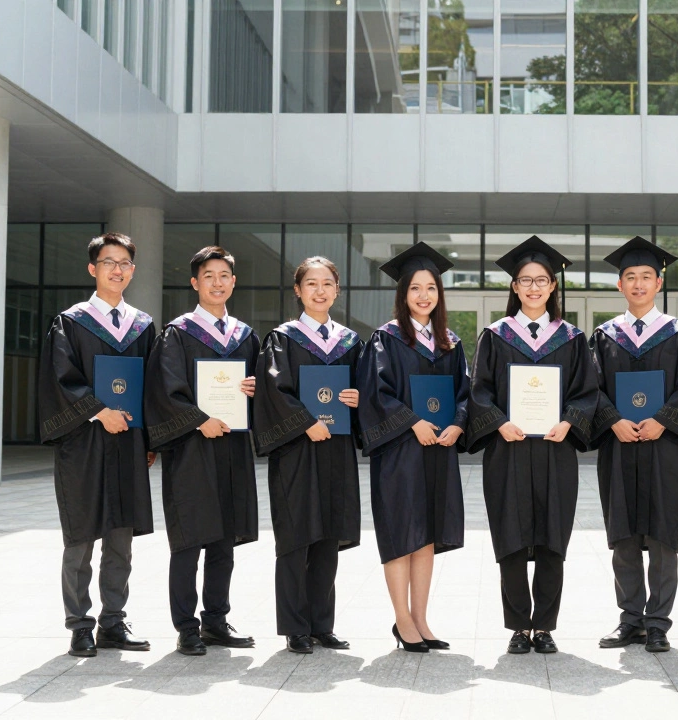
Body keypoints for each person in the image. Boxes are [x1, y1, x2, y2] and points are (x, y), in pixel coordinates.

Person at [468, 236, 599, 655]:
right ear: (514, 287)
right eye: (526, 280)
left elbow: (587, 392)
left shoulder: (572, 338)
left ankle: (543, 626)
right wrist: (499, 423)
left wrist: (569, 421)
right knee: (510, 535)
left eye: (542, 280)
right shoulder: (495, 335)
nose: (534, 287)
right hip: (508, 450)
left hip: (554, 450)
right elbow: (479, 391)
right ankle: (516, 626)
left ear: (553, 287)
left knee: (551, 538)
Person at [37, 231, 156, 658]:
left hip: (127, 443)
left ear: (132, 270)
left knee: (121, 538)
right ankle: (80, 624)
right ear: (93, 268)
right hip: (83, 443)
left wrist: (151, 437)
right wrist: (96, 411)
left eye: (124, 263)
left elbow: (151, 388)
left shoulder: (142, 326)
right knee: (81, 536)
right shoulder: (71, 322)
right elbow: (59, 379)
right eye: (109, 262)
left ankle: (113, 622)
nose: (117, 269)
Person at [590, 237, 678, 653]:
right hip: (619, 446)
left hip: (664, 448)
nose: (638, 284)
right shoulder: (605, 336)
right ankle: (630, 620)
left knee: (662, 537)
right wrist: (613, 420)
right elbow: (590, 389)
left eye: (645, 277)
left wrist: (664, 421)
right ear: (619, 285)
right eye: (630, 277)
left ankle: (657, 622)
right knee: (623, 537)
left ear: (658, 283)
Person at [144, 246, 260, 656]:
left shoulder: (245, 336)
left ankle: (215, 620)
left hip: (232, 448)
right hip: (191, 449)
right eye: (208, 275)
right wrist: (198, 420)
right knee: (190, 540)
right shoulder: (177, 334)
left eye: (223, 275)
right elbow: (163, 391)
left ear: (233, 281)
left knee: (224, 540)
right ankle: (186, 627)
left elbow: (258, 392)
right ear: (195, 283)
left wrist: (253, 390)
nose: (216, 282)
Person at [356, 243, 468, 653]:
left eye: (431, 289)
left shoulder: (450, 342)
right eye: (415, 289)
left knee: (426, 536)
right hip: (400, 451)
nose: (424, 296)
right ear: (403, 295)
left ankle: (421, 617)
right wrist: (413, 423)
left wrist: (457, 425)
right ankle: (402, 620)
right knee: (401, 532)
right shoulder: (386, 339)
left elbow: (464, 394)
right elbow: (375, 393)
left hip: (438, 448)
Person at [254, 256, 362, 655]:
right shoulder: (282, 339)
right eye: (311, 284)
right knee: (297, 539)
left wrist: (357, 398)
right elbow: (273, 392)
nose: (320, 291)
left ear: (337, 290)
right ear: (298, 291)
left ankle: (322, 624)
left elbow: (364, 391)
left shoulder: (350, 342)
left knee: (327, 538)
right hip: (297, 452)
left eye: (328, 284)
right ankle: (295, 627)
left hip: (336, 451)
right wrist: (304, 422)